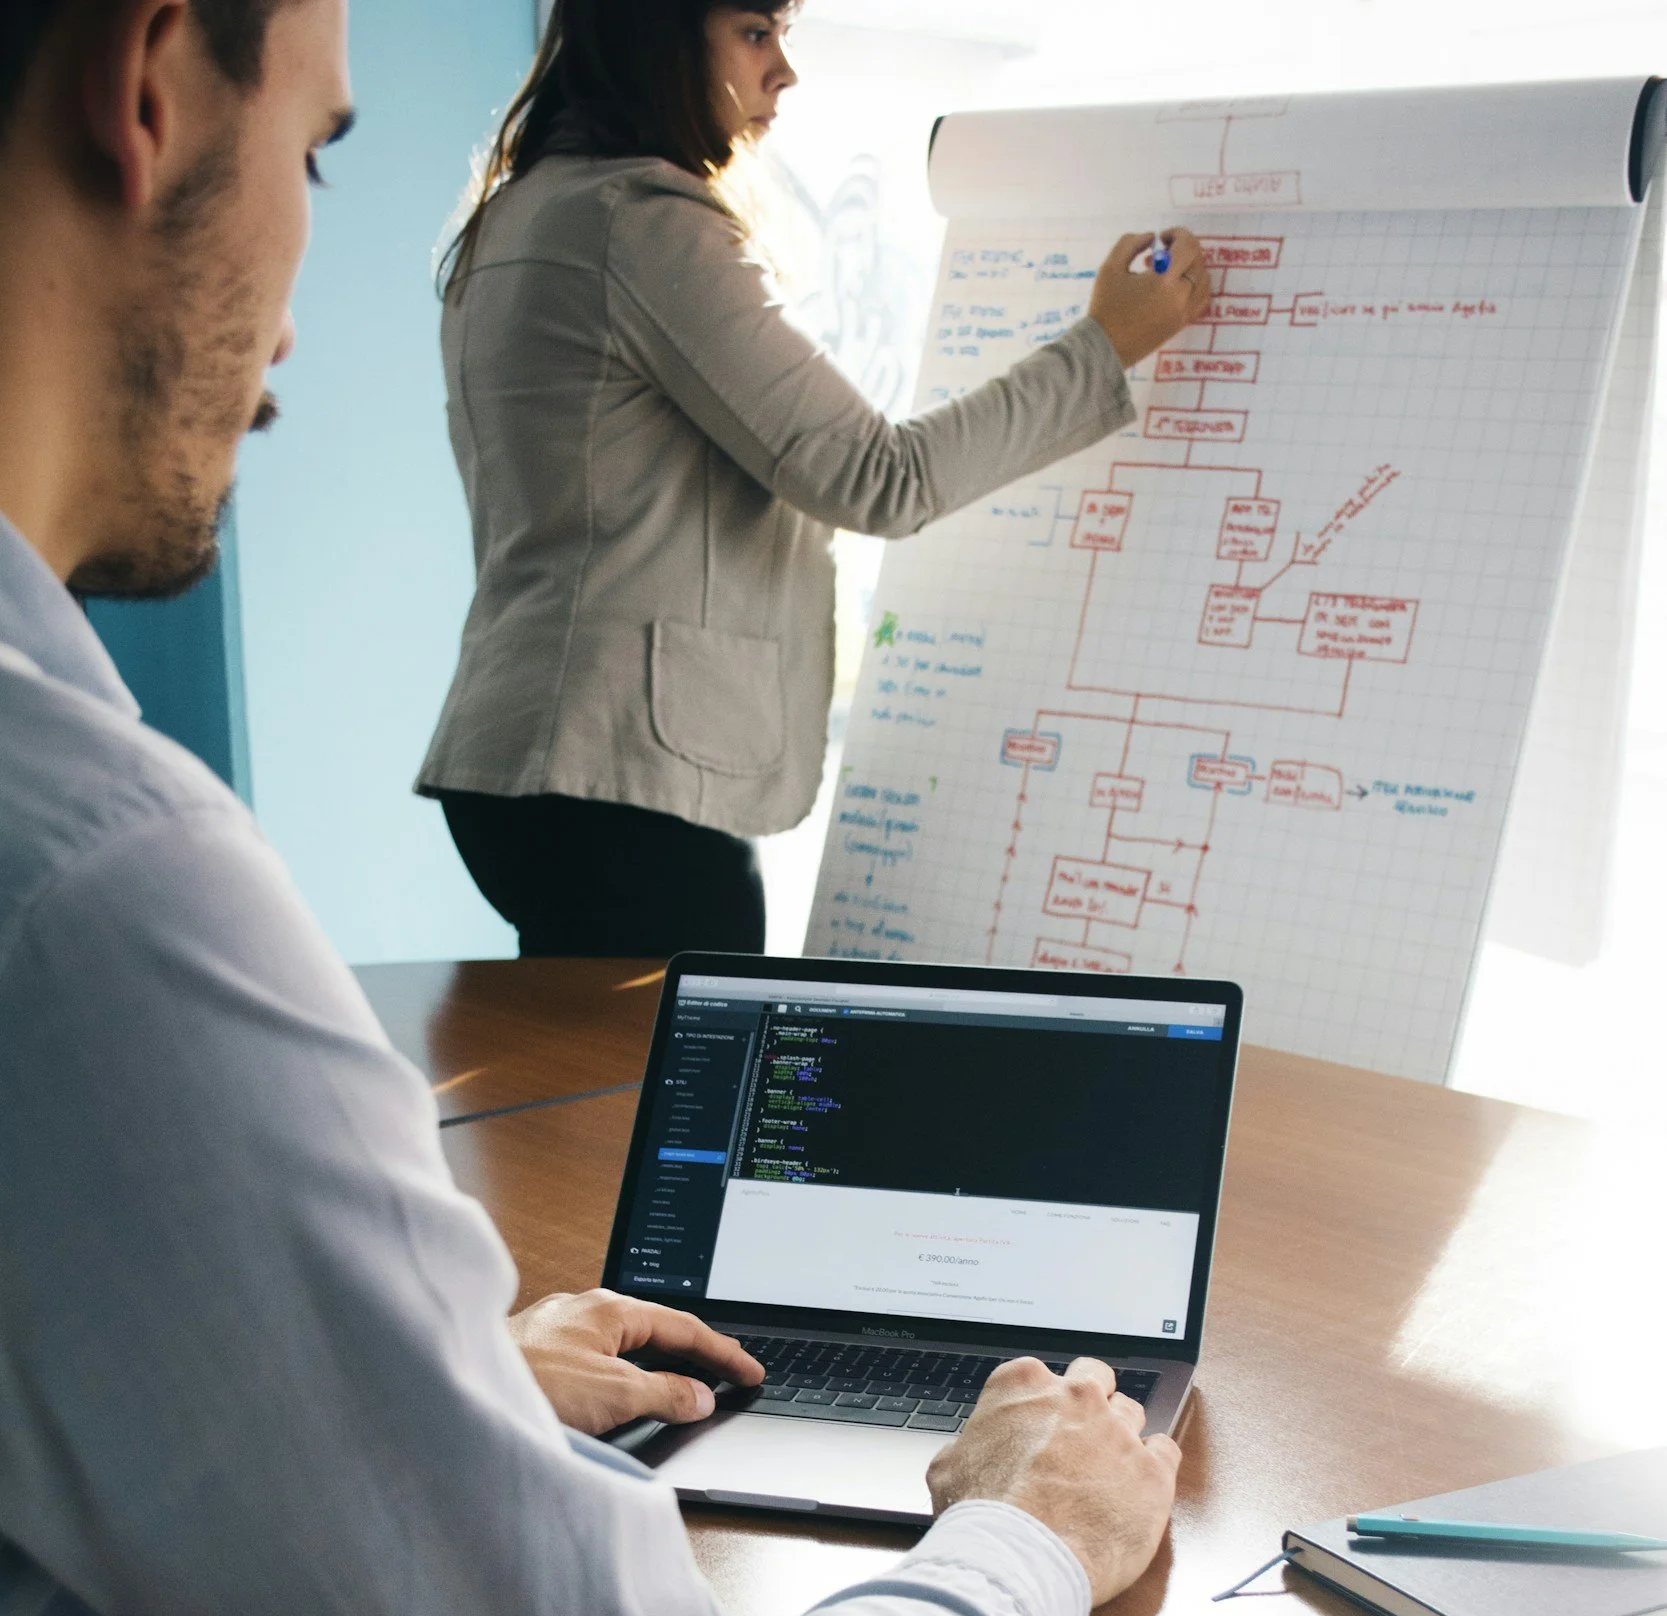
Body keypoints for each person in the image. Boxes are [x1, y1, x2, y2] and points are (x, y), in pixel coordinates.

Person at [0, 0, 1185, 1616]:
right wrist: (1017, 1546)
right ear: (144, 91)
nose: (313, 293)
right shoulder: (84, 896)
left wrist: (418, 1371)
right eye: (315, 142)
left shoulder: (511, 234)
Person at [418, 0, 1210, 957]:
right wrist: (1104, 346)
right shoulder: (639, 226)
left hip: (526, 762)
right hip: (620, 779)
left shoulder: (521, 212)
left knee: (593, 1101)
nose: (783, 72)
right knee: (682, 1100)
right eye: (757, 33)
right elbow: (879, 475)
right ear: (658, 38)